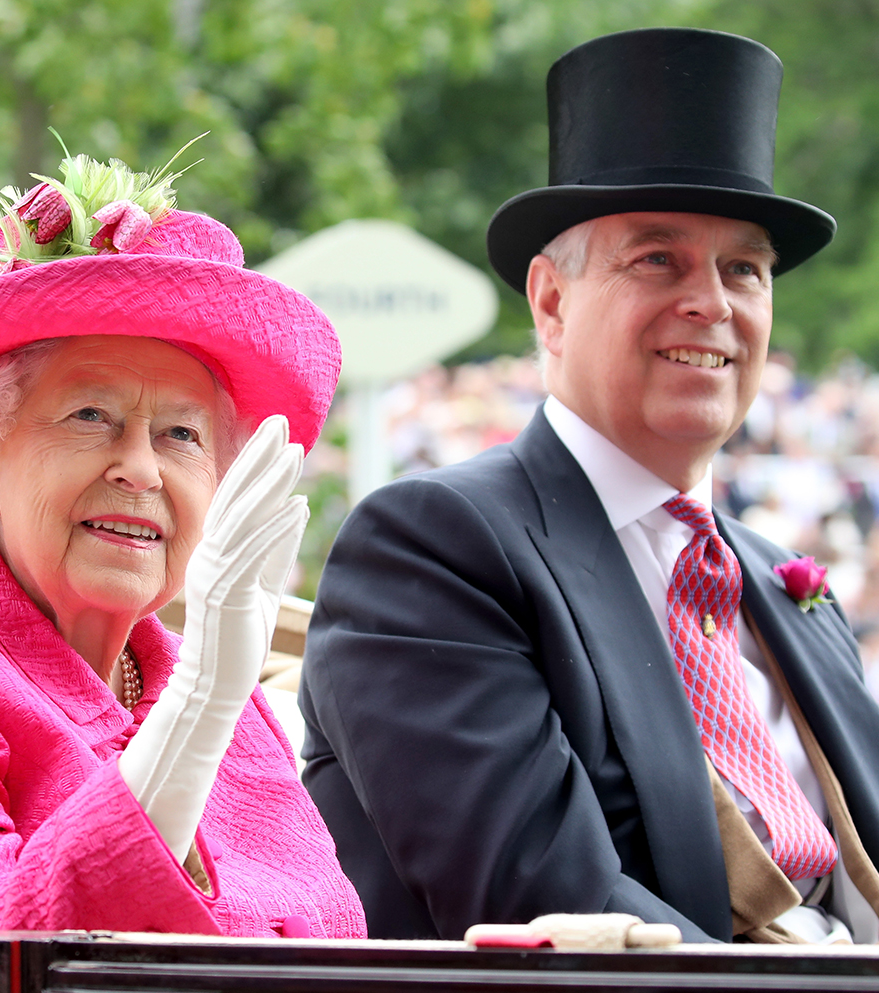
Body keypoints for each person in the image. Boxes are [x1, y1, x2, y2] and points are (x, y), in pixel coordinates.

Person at [299, 27, 879, 944]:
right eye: (659, 258)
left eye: (745, 269)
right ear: (552, 301)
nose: (714, 303)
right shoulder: (434, 549)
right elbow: (543, 895)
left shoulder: (786, 588)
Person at [0, 138, 366, 939]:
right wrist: (196, 709)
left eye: (180, 435)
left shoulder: (226, 705)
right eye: (91, 416)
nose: (139, 468)